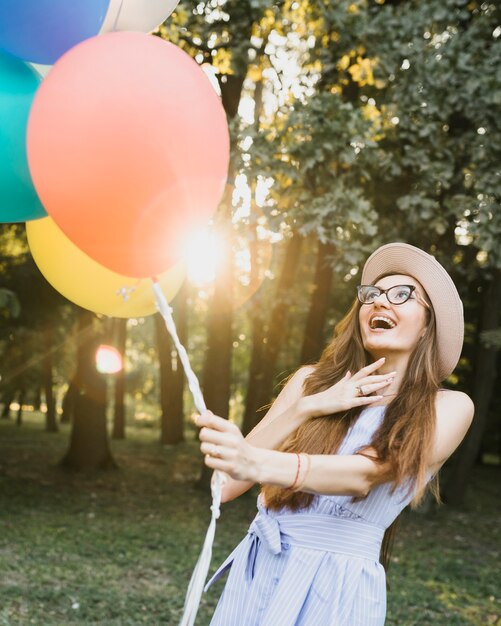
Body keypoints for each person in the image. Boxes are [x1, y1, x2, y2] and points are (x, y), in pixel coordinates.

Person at [194, 242, 474, 625]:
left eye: (401, 295)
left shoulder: (448, 406)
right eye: (371, 295)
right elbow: (223, 486)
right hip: (258, 569)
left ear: (428, 323)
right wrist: (307, 407)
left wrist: (253, 460)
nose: (379, 303)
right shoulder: (309, 383)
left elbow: (365, 475)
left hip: (338, 586)